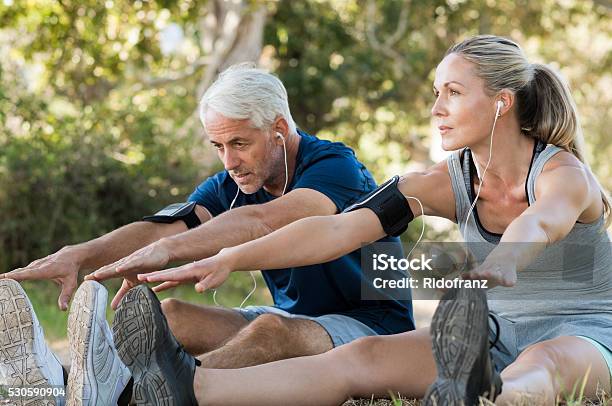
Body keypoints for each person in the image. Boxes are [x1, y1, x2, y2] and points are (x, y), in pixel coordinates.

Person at [131, 35, 612, 405]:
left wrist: (506, 260)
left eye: (453, 93)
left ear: (501, 103)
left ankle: (485, 393)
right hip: (491, 331)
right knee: (359, 358)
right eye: (436, 92)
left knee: (543, 364)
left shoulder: (564, 173)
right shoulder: (441, 182)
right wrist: (230, 257)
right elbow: (338, 230)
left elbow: (542, 223)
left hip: (581, 331)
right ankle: (194, 388)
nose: (436, 108)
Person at [0, 64, 414, 405]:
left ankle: (150, 396)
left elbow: (268, 221)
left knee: (269, 331)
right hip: (300, 320)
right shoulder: (232, 183)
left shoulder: (335, 166)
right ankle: (63, 382)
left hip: (373, 326)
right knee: (172, 315)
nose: (229, 160)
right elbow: (164, 226)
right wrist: (82, 254)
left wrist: (169, 250)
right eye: (218, 146)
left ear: (279, 128)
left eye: (239, 143)